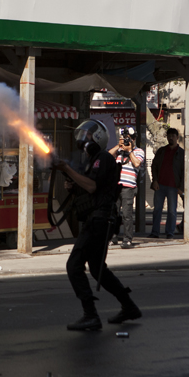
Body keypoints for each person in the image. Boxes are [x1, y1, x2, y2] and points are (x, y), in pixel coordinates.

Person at [53, 119, 141, 331]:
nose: (83, 140)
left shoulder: (102, 157)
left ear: (98, 138)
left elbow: (92, 187)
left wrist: (68, 170)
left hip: (100, 220)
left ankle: (90, 315)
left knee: (74, 265)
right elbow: (92, 187)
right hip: (100, 219)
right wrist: (73, 185)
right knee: (97, 268)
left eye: (88, 136)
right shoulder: (94, 160)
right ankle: (129, 307)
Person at [109, 126, 145, 248]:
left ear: (134, 139)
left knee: (127, 214)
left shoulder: (139, 151)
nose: (126, 141)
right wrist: (118, 146)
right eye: (124, 139)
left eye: (128, 139)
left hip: (128, 187)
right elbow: (107, 157)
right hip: (116, 186)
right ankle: (112, 236)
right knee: (113, 213)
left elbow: (136, 163)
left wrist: (129, 151)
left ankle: (127, 239)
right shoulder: (119, 151)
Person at [149, 128, 183, 239]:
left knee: (172, 211)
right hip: (160, 185)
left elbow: (185, 171)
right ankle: (155, 232)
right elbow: (154, 166)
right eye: (169, 136)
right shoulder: (161, 151)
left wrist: (181, 187)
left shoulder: (182, 153)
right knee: (157, 210)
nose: (171, 138)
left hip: (173, 187)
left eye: (173, 136)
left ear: (177, 137)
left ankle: (170, 232)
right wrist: (154, 180)